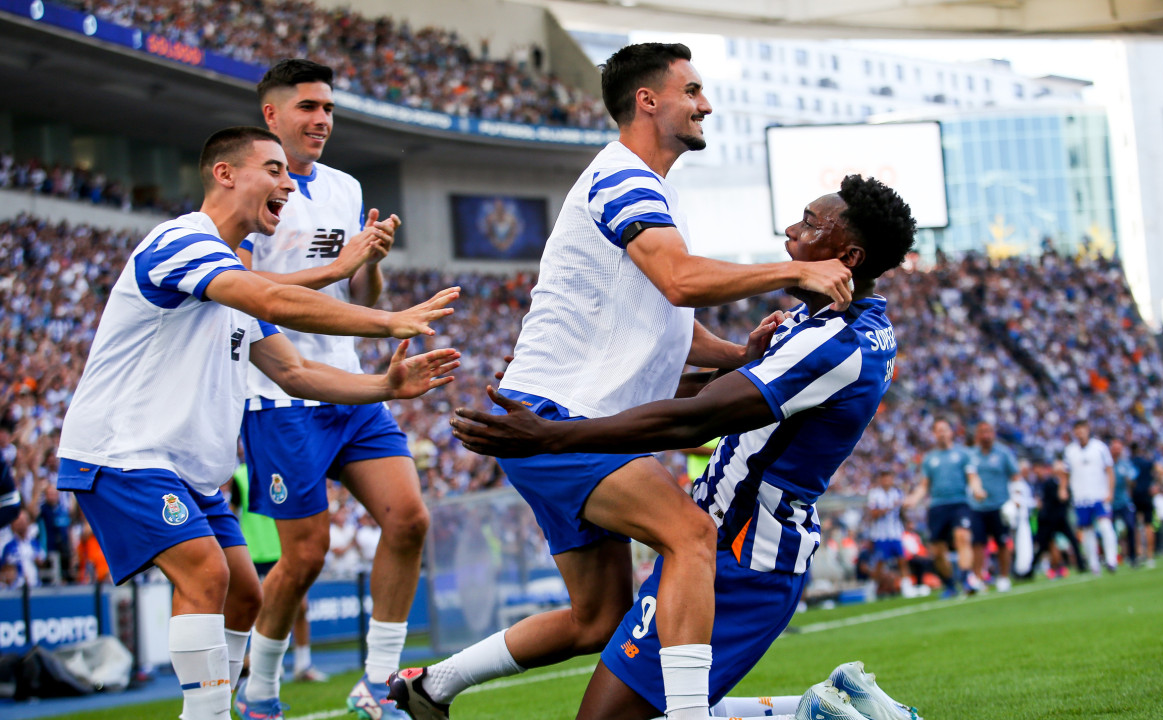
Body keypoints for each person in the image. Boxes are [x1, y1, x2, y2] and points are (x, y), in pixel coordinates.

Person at [384, 42, 854, 720]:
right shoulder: (625, 178)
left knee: (598, 618)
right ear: (648, 100)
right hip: (558, 419)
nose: (706, 105)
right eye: (692, 91)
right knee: (691, 534)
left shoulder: (653, 192)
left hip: (566, 420)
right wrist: (794, 271)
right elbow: (679, 279)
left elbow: (668, 318)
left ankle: (430, 688)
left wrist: (734, 355)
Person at [418, 174, 920, 720]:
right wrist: (572, 389)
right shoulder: (835, 321)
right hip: (730, 542)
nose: (791, 231)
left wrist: (552, 434)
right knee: (615, 667)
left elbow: (693, 421)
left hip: (742, 556)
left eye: (809, 223)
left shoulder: (834, 342)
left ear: (847, 254)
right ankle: (818, 709)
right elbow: (708, 394)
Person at [55, 126, 460, 720]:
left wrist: (385, 387)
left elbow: (295, 372)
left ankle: (245, 704)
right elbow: (272, 302)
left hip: (186, 470)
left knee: (246, 592)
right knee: (206, 572)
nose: (288, 182)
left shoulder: (234, 285)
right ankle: (209, 715)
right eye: (273, 170)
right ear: (224, 174)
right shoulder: (182, 243)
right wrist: (387, 321)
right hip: (123, 454)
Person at [234, 59, 434, 720]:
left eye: (328, 110)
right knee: (306, 557)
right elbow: (248, 296)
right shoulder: (248, 195)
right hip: (281, 395)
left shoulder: (345, 188)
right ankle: (260, 687)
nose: (321, 120)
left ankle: (378, 683)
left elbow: (358, 293)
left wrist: (368, 265)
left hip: (352, 389)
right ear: (272, 116)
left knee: (409, 520)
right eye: (308, 108)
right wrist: (339, 267)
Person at [227, 464, 327, 684]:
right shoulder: (241, 476)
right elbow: (231, 513)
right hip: (254, 553)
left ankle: (303, 664)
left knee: (301, 607)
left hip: (283, 550)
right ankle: (267, 665)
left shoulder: (284, 467)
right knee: (259, 609)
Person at [904, 419, 985, 597]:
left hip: (960, 503)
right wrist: (913, 499)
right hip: (937, 506)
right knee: (937, 551)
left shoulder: (963, 454)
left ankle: (964, 579)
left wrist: (977, 490)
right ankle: (949, 585)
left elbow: (973, 477)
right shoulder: (930, 459)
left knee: (962, 536)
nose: (941, 433)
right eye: (938, 431)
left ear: (951, 432)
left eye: (944, 430)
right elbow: (924, 485)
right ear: (934, 434)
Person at [969, 420, 1019, 592]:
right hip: (977, 507)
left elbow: (1015, 475)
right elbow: (970, 476)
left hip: (1000, 505)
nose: (985, 435)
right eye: (982, 431)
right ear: (977, 435)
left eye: (988, 431)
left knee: (1003, 543)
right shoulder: (972, 455)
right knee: (977, 544)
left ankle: (1004, 577)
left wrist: (1016, 497)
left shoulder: (1003, 453)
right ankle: (978, 579)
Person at [1062, 420, 1117, 574]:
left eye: (1082, 429)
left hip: (1099, 494)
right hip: (1081, 497)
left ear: (1087, 429)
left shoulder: (1099, 448)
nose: (1080, 433)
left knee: (1106, 526)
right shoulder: (1070, 451)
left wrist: (1110, 491)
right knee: (1086, 531)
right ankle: (1094, 565)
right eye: (1077, 430)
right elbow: (1065, 474)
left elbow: (1109, 471)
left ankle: (1111, 560)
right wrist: (1063, 489)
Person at [1030, 459, 1084, 577]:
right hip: (1049, 520)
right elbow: (1061, 497)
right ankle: (1030, 571)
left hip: (1061, 519)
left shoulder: (1065, 484)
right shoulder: (1050, 483)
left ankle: (1081, 565)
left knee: (1074, 541)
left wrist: (1064, 482)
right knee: (1043, 545)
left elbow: (1067, 499)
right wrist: (1064, 482)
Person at [866, 470, 912, 597]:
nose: (887, 481)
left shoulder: (897, 493)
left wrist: (907, 521)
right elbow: (873, 514)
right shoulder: (875, 494)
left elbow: (901, 513)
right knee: (880, 563)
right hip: (881, 535)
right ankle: (872, 589)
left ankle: (907, 587)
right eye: (884, 478)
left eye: (889, 478)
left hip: (895, 533)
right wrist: (889, 507)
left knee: (902, 560)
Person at [1109, 439, 1138, 568]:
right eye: (1114, 448)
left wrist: (1129, 480)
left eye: (1119, 448)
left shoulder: (1125, 464)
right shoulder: (1107, 464)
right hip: (1110, 503)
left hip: (1124, 502)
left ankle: (1133, 557)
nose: (1117, 451)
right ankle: (1113, 558)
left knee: (1131, 527)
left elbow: (1133, 481)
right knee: (1110, 532)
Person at [1128, 444, 1157, 568]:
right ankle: (1150, 556)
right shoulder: (1146, 463)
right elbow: (1160, 470)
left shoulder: (1131, 463)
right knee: (1148, 525)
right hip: (1147, 495)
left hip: (1135, 496)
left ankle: (1140, 553)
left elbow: (1130, 480)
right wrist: (1156, 484)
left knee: (1137, 526)